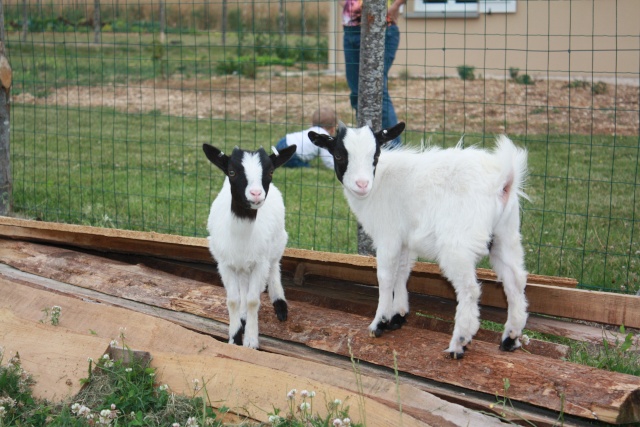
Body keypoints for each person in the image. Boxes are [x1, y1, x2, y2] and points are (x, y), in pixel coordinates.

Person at [342, 0, 405, 147]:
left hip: (382, 28)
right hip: (350, 30)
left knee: (377, 91)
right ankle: (368, 142)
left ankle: (394, 147)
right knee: (357, 92)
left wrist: (396, 5)